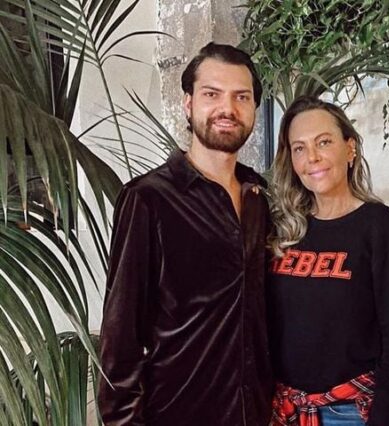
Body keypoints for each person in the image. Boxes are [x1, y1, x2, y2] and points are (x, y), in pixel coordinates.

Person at [97, 42, 273, 425]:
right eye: (212, 94)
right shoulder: (149, 200)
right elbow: (120, 341)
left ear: (254, 110)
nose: (228, 108)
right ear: (188, 104)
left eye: (241, 97)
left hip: (256, 414)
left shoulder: (261, 197)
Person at [267, 96, 389, 426]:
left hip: (350, 412)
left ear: (350, 149)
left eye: (324, 142)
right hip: (285, 410)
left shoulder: (379, 225)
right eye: (299, 148)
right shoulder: (282, 228)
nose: (312, 157)